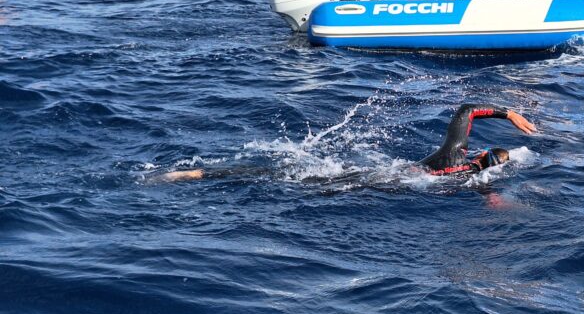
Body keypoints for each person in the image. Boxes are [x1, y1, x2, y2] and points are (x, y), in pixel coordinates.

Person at [155, 103, 536, 182]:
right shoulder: (460, 172)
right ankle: (202, 173)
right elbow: (483, 187)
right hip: (381, 182)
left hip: (385, 176)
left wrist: (508, 113)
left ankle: (201, 172)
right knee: (296, 180)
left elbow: (466, 110)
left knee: (290, 175)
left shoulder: (458, 159)